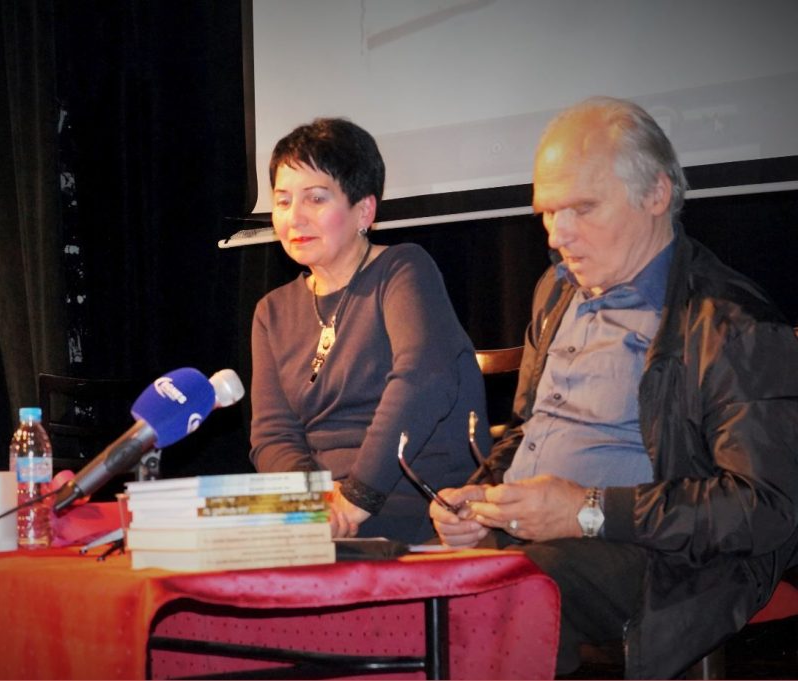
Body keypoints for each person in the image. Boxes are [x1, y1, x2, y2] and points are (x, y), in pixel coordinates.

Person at [431, 96, 798, 678]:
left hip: (669, 563)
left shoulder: (730, 323)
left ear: (656, 194)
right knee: (412, 584)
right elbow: (528, 431)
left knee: (507, 593)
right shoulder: (556, 292)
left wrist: (588, 511)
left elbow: (765, 508)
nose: (559, 235)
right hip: (538, 543)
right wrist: (482, 496)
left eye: (582, 208)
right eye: (547, 213)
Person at [249, 117, 489, 543]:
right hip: (330, 512)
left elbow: (423, 380)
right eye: (283, 201)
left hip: (411, 501)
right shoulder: (272, 311)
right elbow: (273, 434)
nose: (294, 217)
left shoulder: (402, 270)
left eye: (315, 199)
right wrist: (315, 505)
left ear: (364, 210)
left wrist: (356, 498)